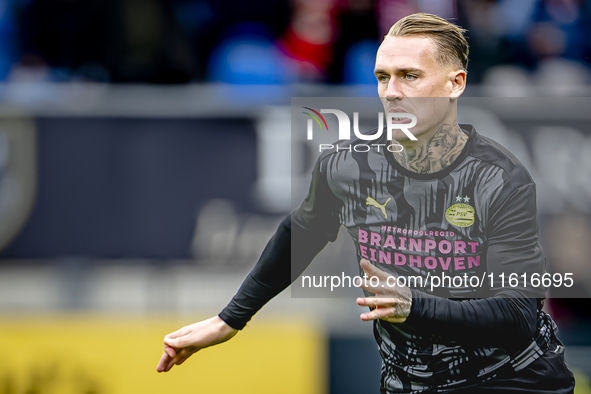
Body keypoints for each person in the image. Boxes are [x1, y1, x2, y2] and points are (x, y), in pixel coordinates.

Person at [156, 13, 575, 393]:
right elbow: (301, 231)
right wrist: (230, 318)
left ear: (456, 84)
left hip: (514, 383)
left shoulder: (499, 178)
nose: (391, 92)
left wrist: (414, 307)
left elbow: (518, 317)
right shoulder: (348, 168)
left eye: (409, 76)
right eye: (382, 77)